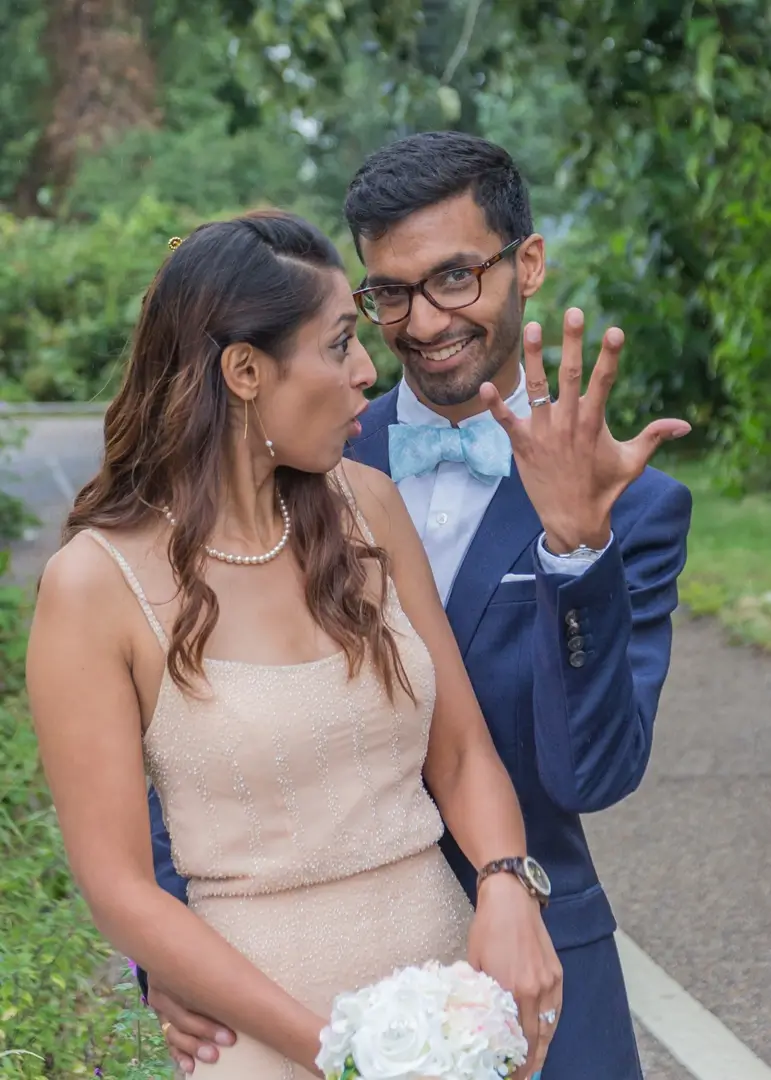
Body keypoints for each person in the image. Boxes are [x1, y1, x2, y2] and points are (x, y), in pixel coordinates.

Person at [147, 135, 693, 1079]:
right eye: (387, 292)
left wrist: (575, 554)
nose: (422, 320)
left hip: (534, 960)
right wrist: (165, 942)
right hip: (283, 976)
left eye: (453, 277)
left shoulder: (630, 507)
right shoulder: (298, 449)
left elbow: (592, 776)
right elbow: (181, 730)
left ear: (526, 261)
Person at [26, 209, 562, 1080]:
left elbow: (462, 755)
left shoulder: (370, 508)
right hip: (264, 1033)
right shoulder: (93, 587)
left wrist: (505, 883)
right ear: (244, 370)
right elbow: (120, 886)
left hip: (448, 1011)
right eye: (338, 342)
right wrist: (338, 1054)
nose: (365, 372)